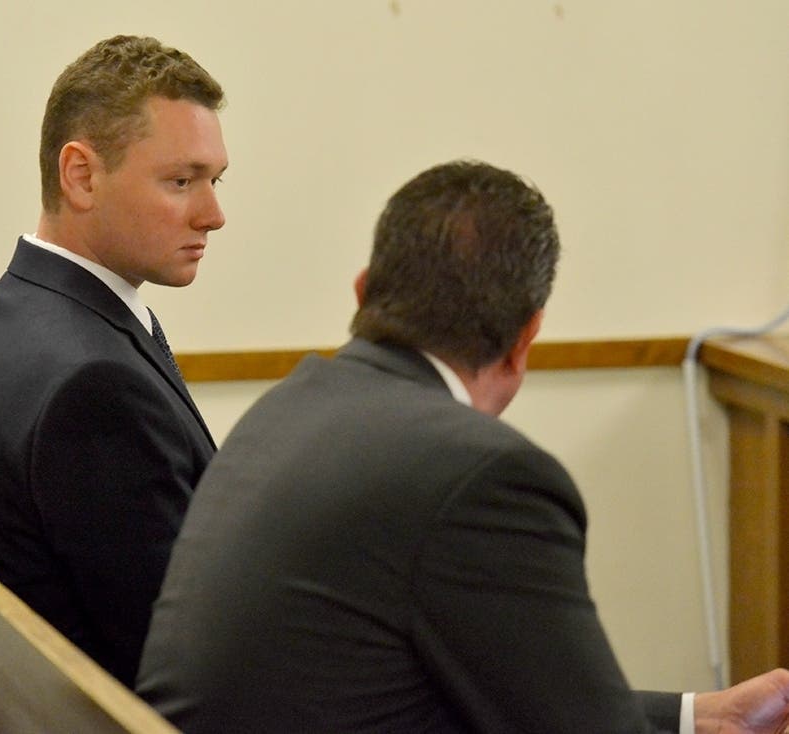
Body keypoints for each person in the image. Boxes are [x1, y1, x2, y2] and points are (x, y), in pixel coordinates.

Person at [136, 160, 789, 732]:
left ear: (363, 291)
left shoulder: (291, 408)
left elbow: (503, 693)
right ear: (525, 337)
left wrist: (703, 719)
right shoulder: (484, 476)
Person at [0, 34, 228, 686]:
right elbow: (177, 662)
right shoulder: (95, 386)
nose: (214, 215)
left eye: (215, 180)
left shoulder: (4, 313)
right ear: (82, 175)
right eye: (181, 181)